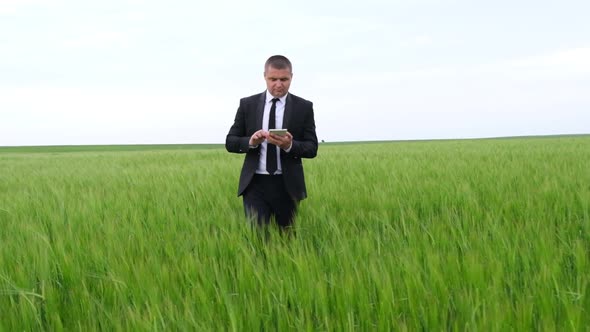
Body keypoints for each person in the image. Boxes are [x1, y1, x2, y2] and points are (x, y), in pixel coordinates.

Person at [225, 55, 318, 232]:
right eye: (273, 79)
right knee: (259, 238)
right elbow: (230, 142)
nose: (278, 84)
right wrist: (251, 142)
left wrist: (288, 146)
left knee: (287, 239)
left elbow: (312, 148)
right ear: (264, 77)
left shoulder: (303, 107)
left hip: (287, 185)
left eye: (284, 79)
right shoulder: (248, 105)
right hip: (255, 185)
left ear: (292, 77)